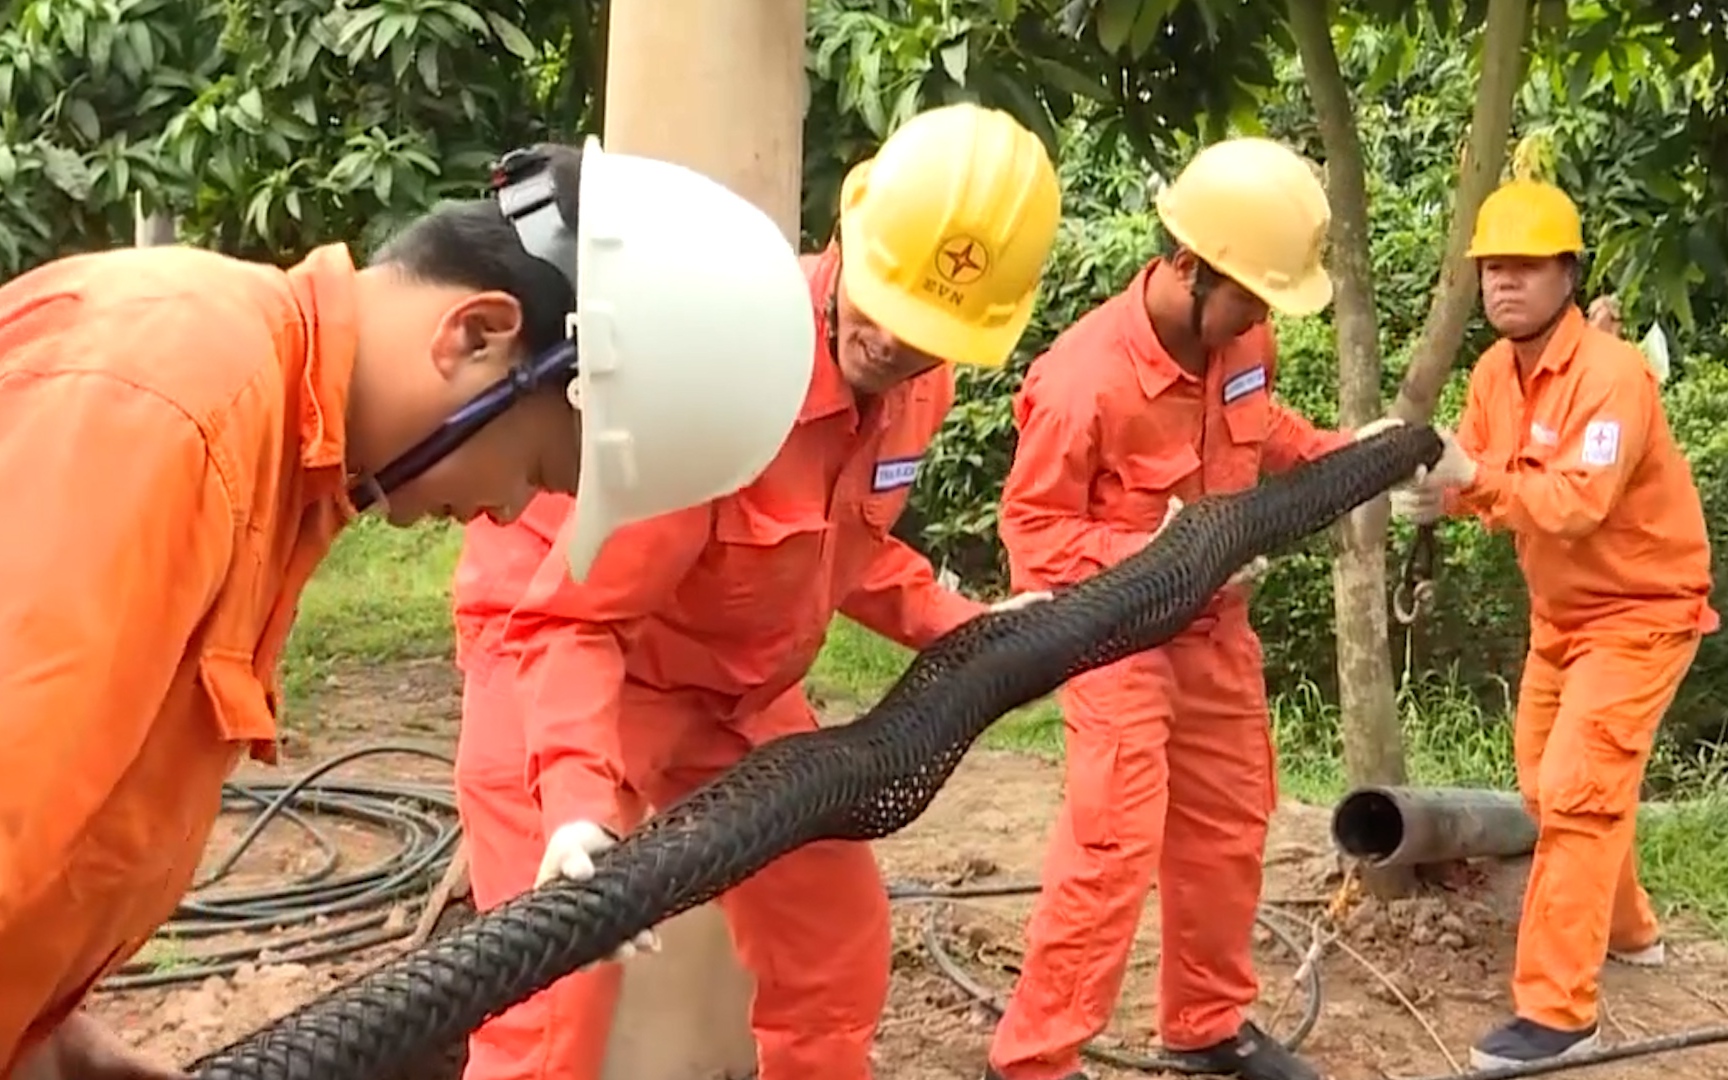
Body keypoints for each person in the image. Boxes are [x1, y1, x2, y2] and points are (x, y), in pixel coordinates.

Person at [0, 137, 824, 1080]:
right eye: (540, 469)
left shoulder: (280, 463)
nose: (512, 510)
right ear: (477, 334)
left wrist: (53, 1044)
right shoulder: (176, 404)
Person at [449, 102, 1062, 1080]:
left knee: (831, 919)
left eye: (931, 331)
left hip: (722, 681)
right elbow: (578, 623)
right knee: (552, 986)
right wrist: (572, 801)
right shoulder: (727, 376)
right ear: (847, 235)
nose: (896, 344)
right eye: (885, 303)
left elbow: (842, 551)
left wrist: (972, 627)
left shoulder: (914, 386)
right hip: (558, 645)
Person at [982, 136, 1401, 1080]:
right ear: (1186, 267)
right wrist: (1163, 555)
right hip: (1116, 637)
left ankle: (1208, 1023)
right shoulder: (1081, 379)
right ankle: (1037, 1060)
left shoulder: (1242, 335)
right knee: (1113, 840)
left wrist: (1355, 453)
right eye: (1250, 294)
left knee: (1228, 820)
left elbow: (1267, 429)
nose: (1259, 316)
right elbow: (1033, 532)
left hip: (1215, 634)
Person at [1386, 177, 1716, 1070]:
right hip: (1562, 618)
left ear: (1569, 274)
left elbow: (1574, 503)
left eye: (1526, 266)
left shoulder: (1614, 379)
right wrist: (1438, 496)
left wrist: (1471, 480)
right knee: (1549, 792)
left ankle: (1560, 1014)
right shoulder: (1497, 373)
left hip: (1643, 615)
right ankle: (1632, 931)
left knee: (1576, 792)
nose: (1505, 283)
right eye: (1494, 266)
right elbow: (1484, 475)